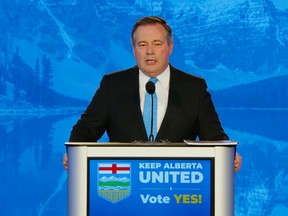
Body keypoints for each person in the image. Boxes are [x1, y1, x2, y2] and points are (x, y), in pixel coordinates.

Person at [63, 16, 242, 172]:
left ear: (170, 47)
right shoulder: (113, 85)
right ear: (134, 50)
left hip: (177, 191)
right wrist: (75, 153)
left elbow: (214, 138)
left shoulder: (194, 88)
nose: (150, 51)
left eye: (157, 44)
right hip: (125, 189)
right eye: (142, 45)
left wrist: (228, 156)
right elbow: (84, 130)